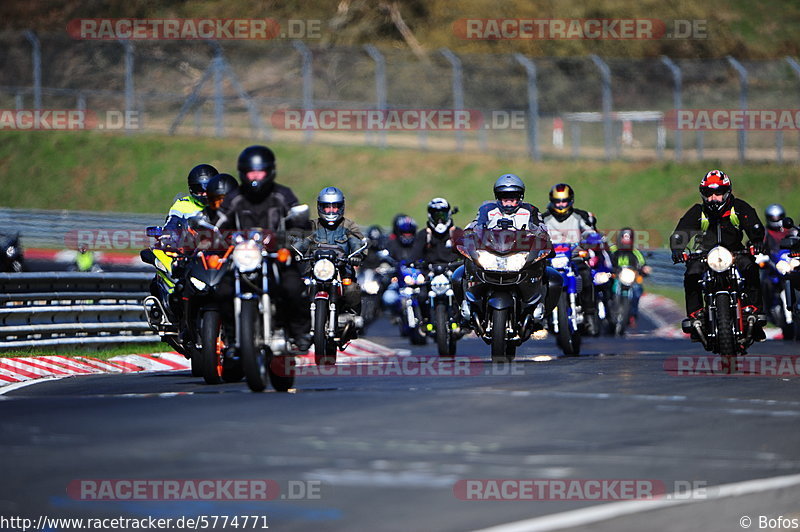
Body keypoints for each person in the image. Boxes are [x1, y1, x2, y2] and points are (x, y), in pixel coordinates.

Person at [215, 145, 312, 353]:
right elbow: (219, 223)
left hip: (275, 258)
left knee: (293, 287)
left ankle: (300, 332)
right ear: (243, 173)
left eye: (260, 172)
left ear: (269, 172)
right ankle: (232, 338)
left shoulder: (282, 195)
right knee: (222, 290)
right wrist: (212, 235)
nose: (255, 177)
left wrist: (291, 238)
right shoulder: (234, 198)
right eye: (251, 172)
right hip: (244, 259)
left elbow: (300, 223)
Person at [670, 170, 767, 339]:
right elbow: (680, 233)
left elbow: (754, 226)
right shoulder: (698, 212)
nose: (713, 198)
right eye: (709, 193)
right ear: (703, 194)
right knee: (691, 273)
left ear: (727, 192)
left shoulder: (739, 208)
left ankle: (754, 311)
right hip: (706, 256)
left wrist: (757, 242)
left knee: (751, 268)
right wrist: (678, 249)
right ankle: (696, 316)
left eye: (718, 193)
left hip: (736, 254)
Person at [454, 174, 559, 321]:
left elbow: (542, 231)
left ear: (520, 197)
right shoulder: (487, 209)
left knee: (555, 278)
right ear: (497, 196)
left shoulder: (531, 211)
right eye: (505, 197)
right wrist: (465, 237)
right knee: (458, 276)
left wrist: (544, 242)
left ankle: (539, 310)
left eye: (513, 197)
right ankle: (467, 308)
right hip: (492, 256)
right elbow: (474, 226)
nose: (509, 201)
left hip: (520, 258)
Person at [295, 186, 367, 318]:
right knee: (296, 288)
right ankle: (298, 321)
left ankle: (353, 318)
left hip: (342, 270)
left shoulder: (349, 226)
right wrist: (294, 251)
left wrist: (357, 255)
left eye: (335, 206)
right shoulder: (312, 226)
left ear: (341, 207)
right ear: (320, 207)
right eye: (327, 207)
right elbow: (302, 242)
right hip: (314, 271)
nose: (331, 210)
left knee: (351, 289)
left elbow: (357, 242)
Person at [542, 183, 599, 332]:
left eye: (564, 201)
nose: (561, 205)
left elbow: (590, 231)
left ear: (571, 201)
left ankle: (589, 315)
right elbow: (536, 235)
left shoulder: (580, 216)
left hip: (574, 257)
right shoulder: (544, 218)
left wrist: (590, 239)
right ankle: (541, 314)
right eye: (557, 201)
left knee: (587, 276)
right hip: (551, 260)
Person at [411, 198, 463, 325]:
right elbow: (414, 255)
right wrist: (414, 263)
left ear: (449, 214)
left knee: (464, 291)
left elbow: (467, 251)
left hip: (453, 271)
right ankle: (425, 320)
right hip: (430, 272)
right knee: (421, 295)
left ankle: (464, 319)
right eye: (436, 215)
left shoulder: (457, 233)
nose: (440, 219)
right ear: (430, 216)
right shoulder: (424, 234)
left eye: (443, 215)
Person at [608, 227, 651, 326]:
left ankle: (632, 314)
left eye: (628, 238)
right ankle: (606, 309)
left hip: (629, 278)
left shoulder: (635, 252)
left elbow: (642, 263)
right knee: (605, 287)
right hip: (614, 276)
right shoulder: (612, 250)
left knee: (637, 289)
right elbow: (606, 260)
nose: (626, 241)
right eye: (624, 238)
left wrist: (645, 269)